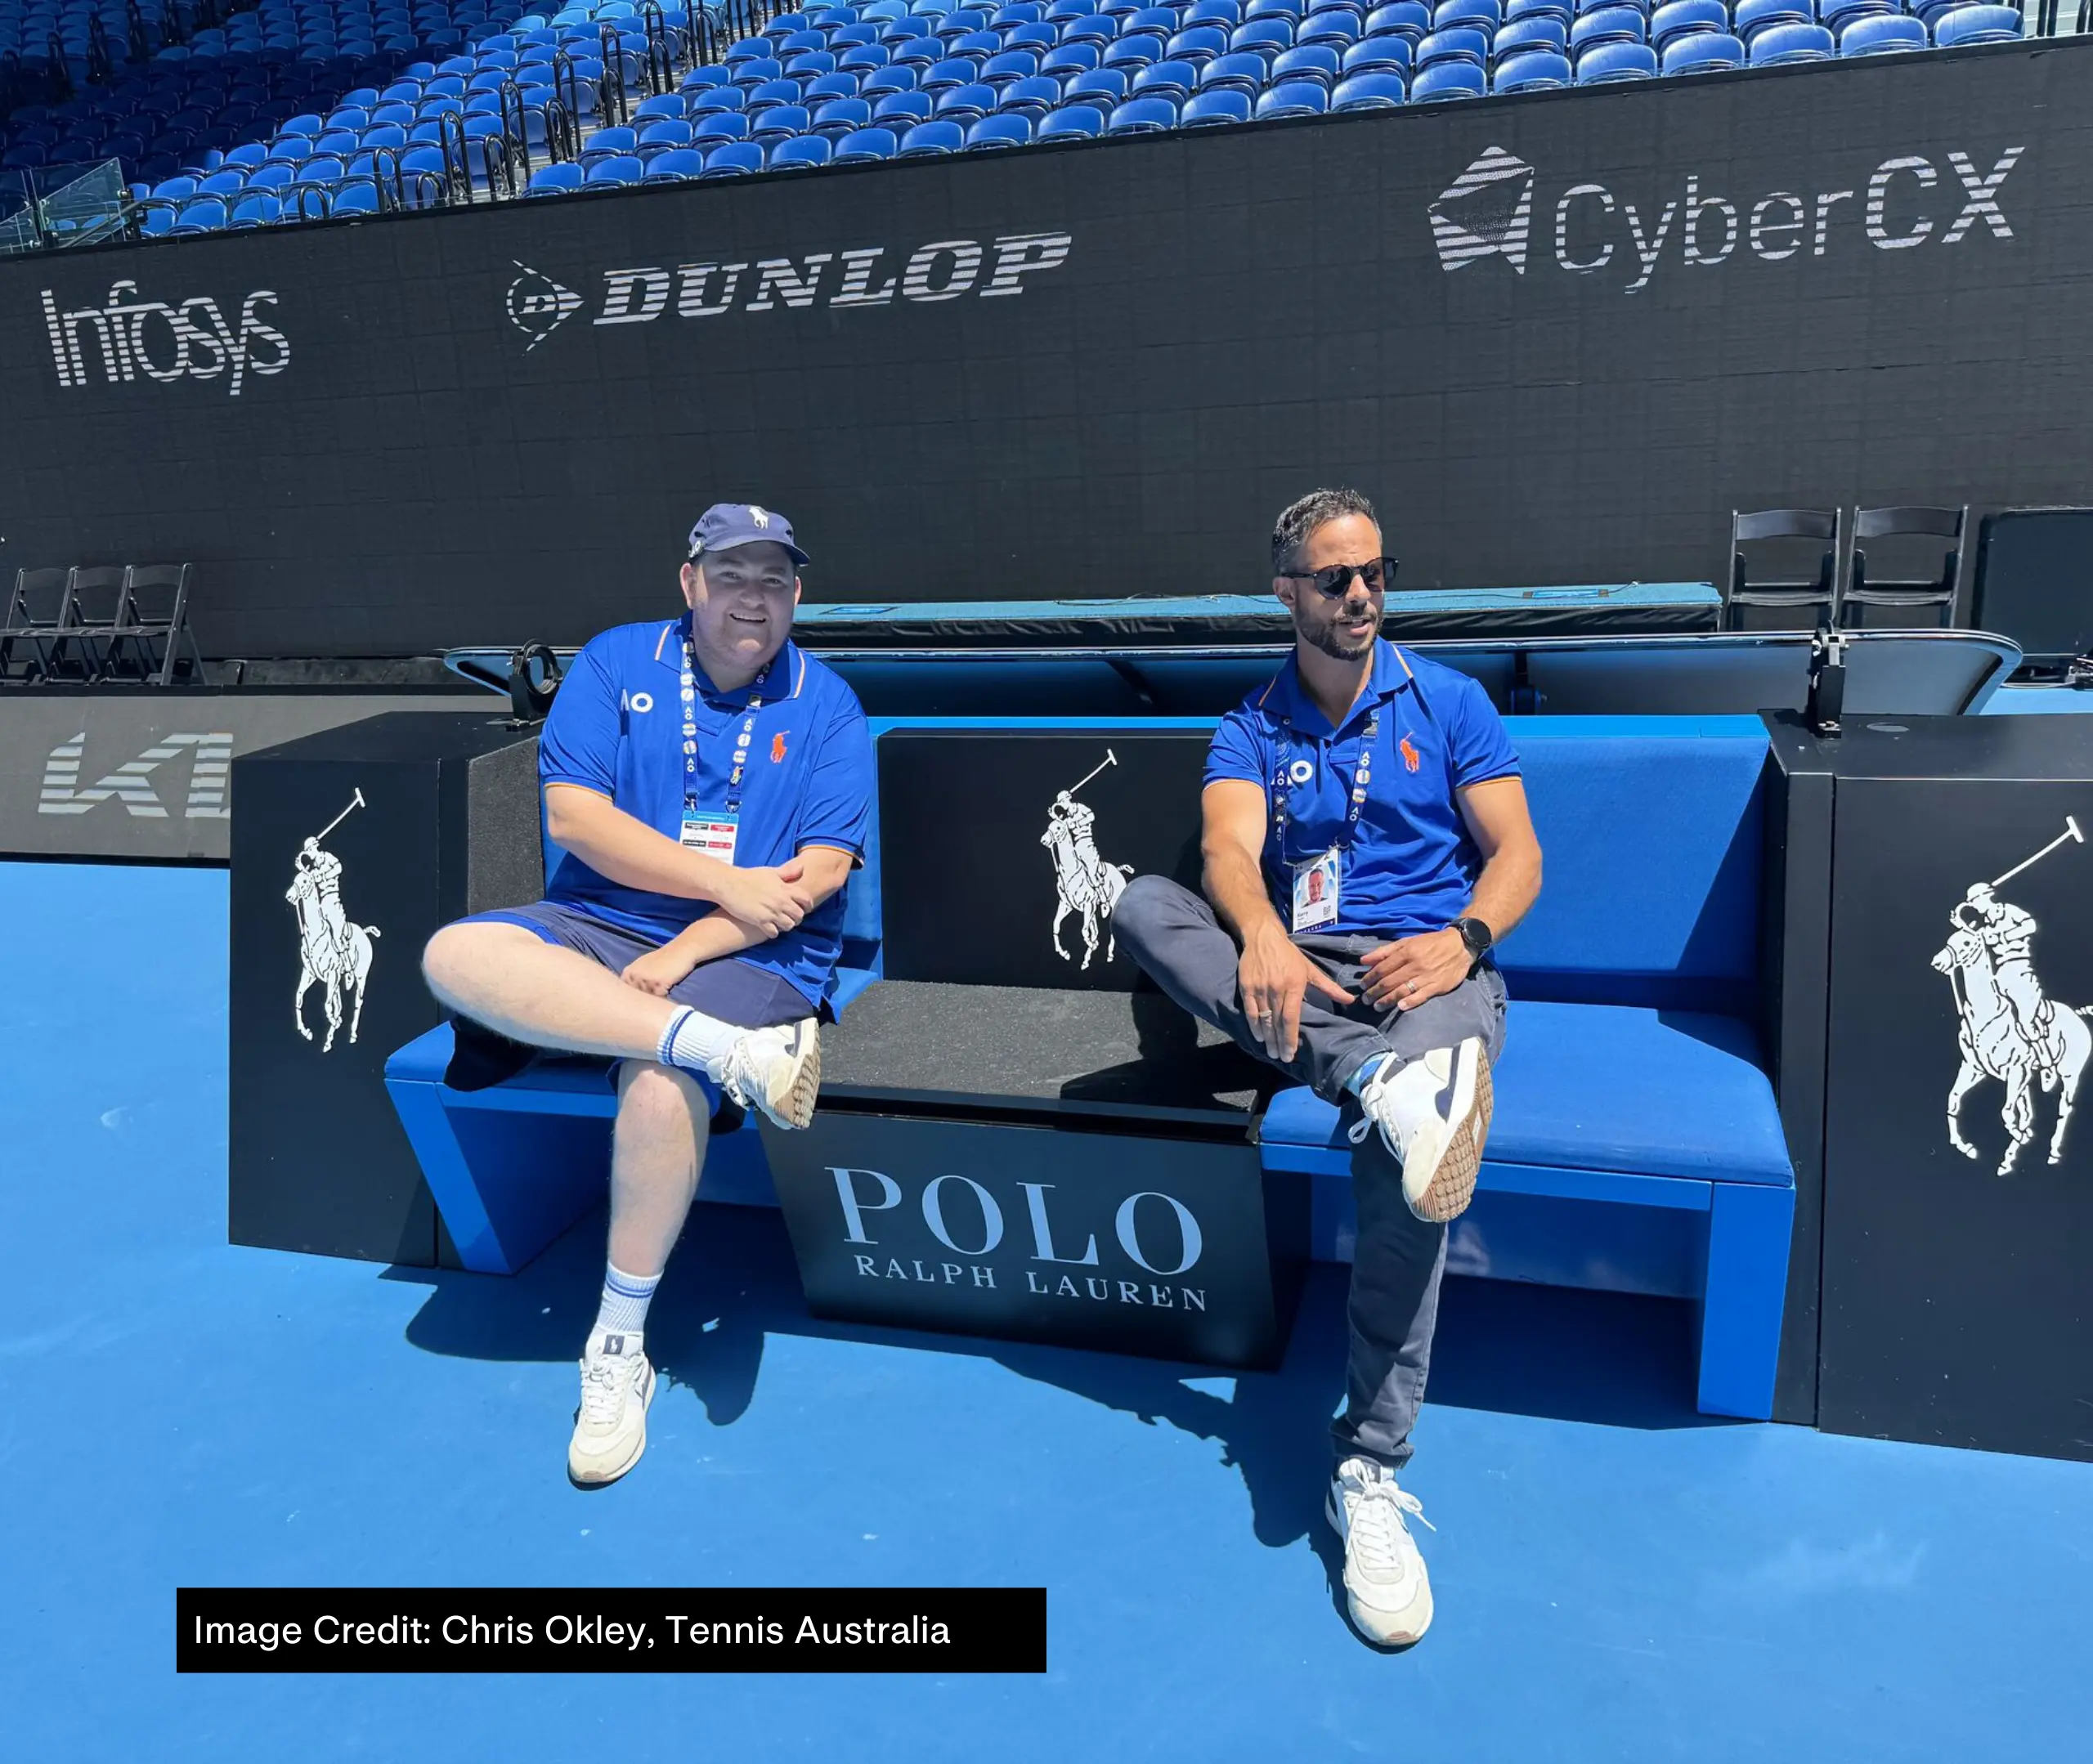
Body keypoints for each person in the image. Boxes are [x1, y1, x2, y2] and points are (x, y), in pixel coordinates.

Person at [1114, 488, 1543, 1650]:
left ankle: (1368, 1465)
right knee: (1150, 905)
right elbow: (1226, 851)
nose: (1362, 594)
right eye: (1336, 578)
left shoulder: (1448, 701)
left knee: (1406, 1172)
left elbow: (1517, 856)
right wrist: (1255, 927)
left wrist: (1461, 940)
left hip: (1428, 967)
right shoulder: (1250, 722)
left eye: (1375, 573)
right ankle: (1378, 1084)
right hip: (1303, 974)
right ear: (1288, 593)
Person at [421, 503, 872, 1489]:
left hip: (757, 945)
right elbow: (577, 822)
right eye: (732, 575)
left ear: (796, 595)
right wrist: (716, 883)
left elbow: (817, 876)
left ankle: (618, 1343)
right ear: (690, 582)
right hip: (607, 921)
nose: (752, 598)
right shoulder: (618, 661)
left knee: (659, 1081)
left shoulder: (828, 703)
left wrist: (698, 941)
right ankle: (723, 1051)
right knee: (455, 954)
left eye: (774, 580)